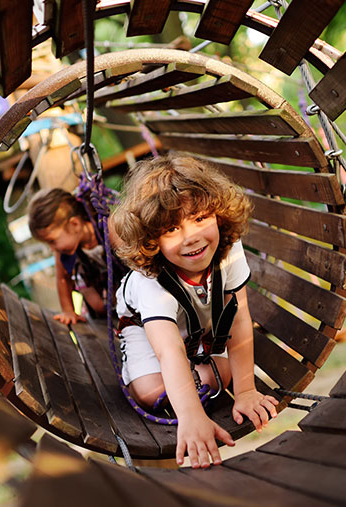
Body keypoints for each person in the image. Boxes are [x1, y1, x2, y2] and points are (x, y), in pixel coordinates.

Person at [111, 155, 278, 469]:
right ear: (152, 239)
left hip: (194, 320)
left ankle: (202, 365)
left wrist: (245, 390)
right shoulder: (151, 283)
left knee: (221, 369)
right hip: (145, 328)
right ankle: (198, 368)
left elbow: (239, 317)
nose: (191, 237)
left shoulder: (228, 248)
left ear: (219, 215)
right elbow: (168, 351)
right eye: (172, 228)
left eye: (201, 218)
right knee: (149, 393)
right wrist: (191, 415)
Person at [28, 188, 124, 325]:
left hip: (126, 288)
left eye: (52, 241)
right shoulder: (64, 253)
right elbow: (63, 279)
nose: (51, 248)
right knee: (97, 305)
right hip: (102, 313)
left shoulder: (107, 230)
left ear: (75, 224)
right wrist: (68, 311)